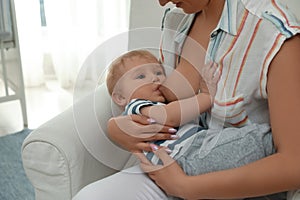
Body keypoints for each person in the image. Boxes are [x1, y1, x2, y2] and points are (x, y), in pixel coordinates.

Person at [73, 0, 300, 199]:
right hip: (174, 164)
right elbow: (153, 100)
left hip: (233, 185)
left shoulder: (273, 34)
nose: (162, 2)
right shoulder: (176, 20)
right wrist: (116, 128)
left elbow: (294, 165)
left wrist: (186, 187)